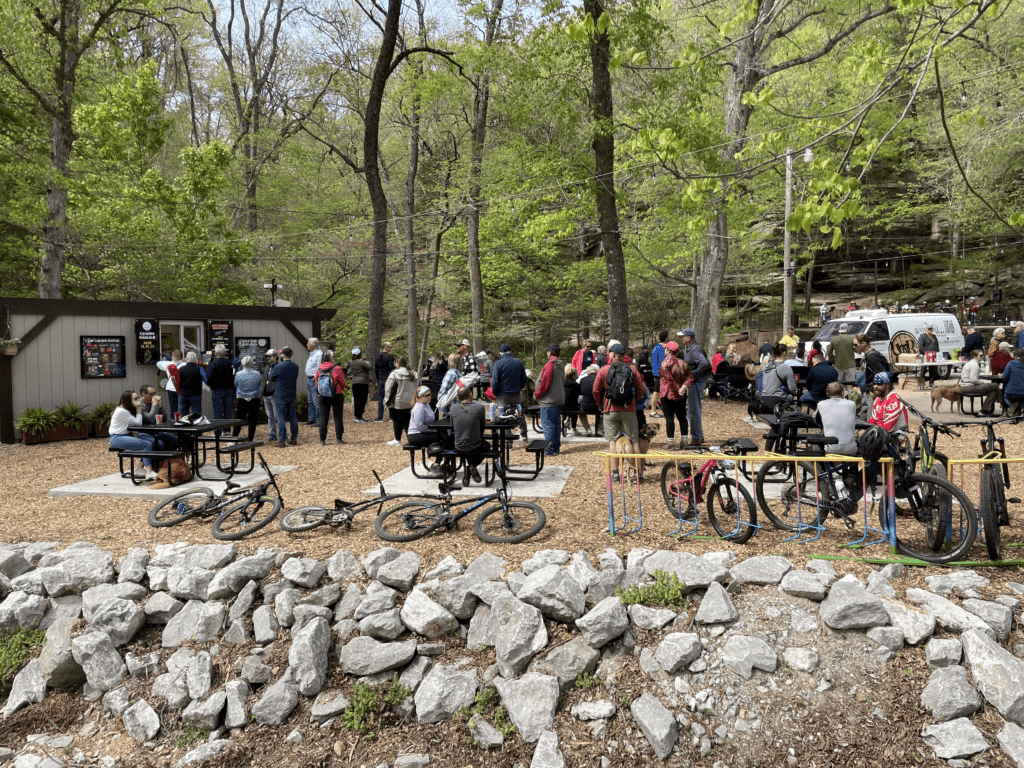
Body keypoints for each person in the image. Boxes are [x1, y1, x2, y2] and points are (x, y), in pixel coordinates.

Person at [593, 343, 647, 483]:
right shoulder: (632, 369)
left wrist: (601, 403)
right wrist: (633, 401)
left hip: (610, 409)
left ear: (612, 354)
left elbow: (596, 390)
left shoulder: (604, 370)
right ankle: (637, 472)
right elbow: (641, 389)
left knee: (612, 441)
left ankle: (615, 473)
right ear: (623, 355)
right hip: (628, 409)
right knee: (634, 440)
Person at [109, 391, 158, 481]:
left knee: (152, 441)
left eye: (137, 398)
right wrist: (138, 408)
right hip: (117, 438)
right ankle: (149, 472)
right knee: (147, 444)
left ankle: (140, 468)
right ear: (128, 400)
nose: (138, 401)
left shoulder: (124, 409)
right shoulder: (122, 411)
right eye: (135, 399)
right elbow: (138, 423)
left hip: (126, 435)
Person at [490, 343, 529, 440]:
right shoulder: (518, 362)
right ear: (510, 351)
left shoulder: (498, 364)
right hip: (516, 393)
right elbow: (524, 379)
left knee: (504, 416)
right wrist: (519, 388)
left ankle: (508, 440)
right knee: (519, 412)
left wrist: (495, 392)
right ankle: (524, 434)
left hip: (502, 394)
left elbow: (494, 381)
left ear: (500, 353)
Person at [450, 386, 488, 486]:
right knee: (486, 446)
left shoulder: (453, 408)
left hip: (459, 446)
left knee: (466, 443)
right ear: (470, 395)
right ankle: (472, 465)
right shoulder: (479, 408)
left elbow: (453, 427)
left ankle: (468, 471)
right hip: (475, 446)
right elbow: (482, 428)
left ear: (457, 397)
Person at [679, 328, 711, 445]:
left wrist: (691, 374)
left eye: (682, 337)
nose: (681, 339)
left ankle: (696, 438)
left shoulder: (694, 350)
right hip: (695, 383)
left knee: (693, 411)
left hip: (696, 383)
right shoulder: (692, 349)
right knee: (692, 409)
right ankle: (699, 435)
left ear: (688, 338)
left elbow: (704, 363)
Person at [533, 343, 566, 457]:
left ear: (550, 352)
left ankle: (549, 449)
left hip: (549, 400)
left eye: (547, 351)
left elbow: (545, 383)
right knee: (556, 424)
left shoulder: (550, 365)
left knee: (548, 425)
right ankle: (556, 447)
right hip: (559, 399)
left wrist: (537, 394)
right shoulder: (561, 364)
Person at [658, 341, 691, 449]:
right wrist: (683, 387)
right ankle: (684, 441)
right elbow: (689, 377)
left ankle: (671, 443)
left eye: (665, 348)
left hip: (667, 394)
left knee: (669, 418)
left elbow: (669, 379)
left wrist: (677, 389)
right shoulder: (683, 363)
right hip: (681, 395)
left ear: (668, 350)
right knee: (682, 418)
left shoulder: (665, 363)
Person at [407, 385, 443, 476]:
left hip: (423, 432)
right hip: (415, 435)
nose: (429, 397)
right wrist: (432, 431)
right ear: (420, 397)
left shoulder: (426, 405)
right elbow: (419, 426)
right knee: (442, 438)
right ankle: (436, 463)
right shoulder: (419, 407)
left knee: (445, 436)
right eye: (427, 395)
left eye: (430, 394)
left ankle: (439, 463)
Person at [314, 349, 346, 445]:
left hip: (322, 396)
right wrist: (342, 388)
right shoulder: (337, 368)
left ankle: (322, 440)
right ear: (332, 358)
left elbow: (316, 382)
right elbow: (343, 383)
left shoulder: (319, 369)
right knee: (338, 417)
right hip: (336, 394)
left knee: (323, 417)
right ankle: (339, 439)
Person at [815, 382, 858, 455]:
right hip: (850, 449)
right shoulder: (852, 404)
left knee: (814, 448)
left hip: (829, 449)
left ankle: (826, 466)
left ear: (827, 394)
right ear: (842, 392)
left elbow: (816, 419)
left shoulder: (821, 404)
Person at [383, 356, 417, 446]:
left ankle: (397, 440)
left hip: (397, 401)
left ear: (397, 364)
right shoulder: (415, 374)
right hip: (412, 401)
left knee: (397, 420)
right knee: (408, 420)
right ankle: (411, 439)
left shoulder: (394, 374)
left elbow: (388, 389)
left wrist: (386, 401)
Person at [270, 346, 300, 447]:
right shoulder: (295, 366)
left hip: (280, 393)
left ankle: (282, 440)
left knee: (281, 417)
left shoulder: (278, 366)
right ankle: (294, 438)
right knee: (293, 416)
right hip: (291, 393)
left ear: (282, 355)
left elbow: (272, 378)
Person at [137, 384, 178, 450]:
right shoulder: (140, 405)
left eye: (154, 393)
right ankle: (159, 459)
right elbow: (150, 419)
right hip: (144, 433)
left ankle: (167, 459)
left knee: (176, 439)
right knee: (160, 443)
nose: (154, 396)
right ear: (143, 394)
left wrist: (160, 406)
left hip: (154, 431)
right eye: (151, 394)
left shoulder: (152, 402)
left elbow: (164, 418)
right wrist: (154, 405)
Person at [959, 349, 999, 415]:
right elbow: (973, 380)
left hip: (965, 386)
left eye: (982, 355)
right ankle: (1001, 401)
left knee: (993, 392)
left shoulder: (969, 363)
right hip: (969, 386)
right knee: (995, 385)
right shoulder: (975, 365)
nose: (982, 357)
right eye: (980, 355)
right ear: (975, 356)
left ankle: (983, 411)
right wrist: (981, 382)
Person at [231, 357, 262, 442]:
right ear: (252, 363)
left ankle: (234, 439)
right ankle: (250, 439)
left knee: (239, 420)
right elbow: (259, 384)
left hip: (242, 398)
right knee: (252, 420)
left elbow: (236, 384)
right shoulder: (257, 373)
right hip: (255, 398)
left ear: (243, 363)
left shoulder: (238, 374)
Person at [760, 343, 797, 410]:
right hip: (778, 400)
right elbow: (792, 389)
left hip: (764, 399)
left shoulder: (767, 366)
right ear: (784, 353)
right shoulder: (786, 368)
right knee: (790, 396)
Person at [208, 345, 235, 434]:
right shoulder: (230, 363)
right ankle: (227, 431)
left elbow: (209, 377)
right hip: (229, 389)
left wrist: (210, 385)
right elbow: (234, 376)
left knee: (217, 411)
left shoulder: (213, 364)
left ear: (216, 353)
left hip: (217, 389)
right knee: (228, 410)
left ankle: (218, 432)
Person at [176, 351, 206, 416]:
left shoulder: (181, 369)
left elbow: (177, 380)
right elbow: (205, 379)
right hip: (196, 394)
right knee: (196, 414)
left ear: (187, 359)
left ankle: (184, 425)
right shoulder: (200, 369)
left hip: (183, 394)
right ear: (196, 360)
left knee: (183, 414)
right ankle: (197, 426)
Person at [828, 323, 857, 388]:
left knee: (839, 386)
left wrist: (833, 360)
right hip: (850, 365)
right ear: (847, 330)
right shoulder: (852, 338)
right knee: (850, 385)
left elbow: (829, 352)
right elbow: (856, 349)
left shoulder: (834, 339)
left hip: (838, 365)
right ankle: (849, 397)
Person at [348, 348, 373, 423]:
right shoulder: (361, 361)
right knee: (363, 399)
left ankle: (356, 415)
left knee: (356, 399)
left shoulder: (351, 362)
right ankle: (359, 416)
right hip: (362, 382)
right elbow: (370, 367)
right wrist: (367, 361)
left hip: (354, 382)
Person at [260, 350, 279, 444]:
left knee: (277, 416)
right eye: (267, 356)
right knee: (270, 416)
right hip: (266, 395)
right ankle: (272, 435)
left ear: (275, 356)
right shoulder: (266, 367)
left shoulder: (278, 367)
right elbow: (264, 380)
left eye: (270, 356)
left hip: (274, 395)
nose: (268, 358)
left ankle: (282, 435)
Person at [437, 352, 463, 418]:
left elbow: (444, 388)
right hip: (458, 403)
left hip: (448, 403)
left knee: (448, 422)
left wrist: (439, 399)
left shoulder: (450, 373)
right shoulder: (460, 374)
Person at [578, 364, 602, 437]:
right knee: (602, 413)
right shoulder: (600, 379)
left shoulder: (583, 380)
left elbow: (581, 393)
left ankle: (587, 428)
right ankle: (599, 429)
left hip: (586, 406)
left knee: (580, 412)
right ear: (596, 371)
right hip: (598, 406)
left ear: (588, 372)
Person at [374, 341, 396, 422]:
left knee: (381, 398)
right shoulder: (389, 356)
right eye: (390, 347)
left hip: (380, 379)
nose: (390, 348)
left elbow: (375, 370)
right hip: (388, 379)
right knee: (389, 397)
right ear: (386, 347)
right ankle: (391, 417)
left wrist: (378, 378)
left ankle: (380, 417)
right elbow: (391, 368)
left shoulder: (377, 357)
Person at [156, 349, 182, 415]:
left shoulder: (168, 364)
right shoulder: (184, 364)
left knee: (173, 408)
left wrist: (169, 359)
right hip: (181, 388)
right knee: (183, 407)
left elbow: (158, 363)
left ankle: (173, 421)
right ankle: (183, 421)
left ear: (172, 356)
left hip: (171, 387)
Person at [304, 338, 323, 426]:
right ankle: (311, 419)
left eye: (308, 344)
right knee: (310, 400)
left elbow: (319, 367)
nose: (307, 345)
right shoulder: (312, 354)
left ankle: (318, 420)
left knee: (315, 401)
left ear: (313, 346)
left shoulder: (318, 354)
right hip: (309, 379)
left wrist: (315, 378)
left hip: (313, 379)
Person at [650, 330, 669, 417]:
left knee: (656, 391)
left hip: (656, 372)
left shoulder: (655, 347)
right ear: (667, 338)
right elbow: (665, 361)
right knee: (658, 392)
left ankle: (654, 410)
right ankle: (654, 411)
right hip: (662, 372)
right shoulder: (665, 348)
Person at [563, 364, 584, 436]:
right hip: (573, 407)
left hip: (562, 406)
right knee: (575, 406)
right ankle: (574, 429)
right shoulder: (576, 385)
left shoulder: (562, 383)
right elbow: (580, 393)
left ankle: (567, 419)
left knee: (568, 404)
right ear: (574, 375)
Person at [1002, 349, 1024, 415]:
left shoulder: (1011, 363)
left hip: (1011, 391)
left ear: (1015, 355)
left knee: (1005, 397)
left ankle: (1014, 406)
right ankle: (1019, 407)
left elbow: (1004, 377)